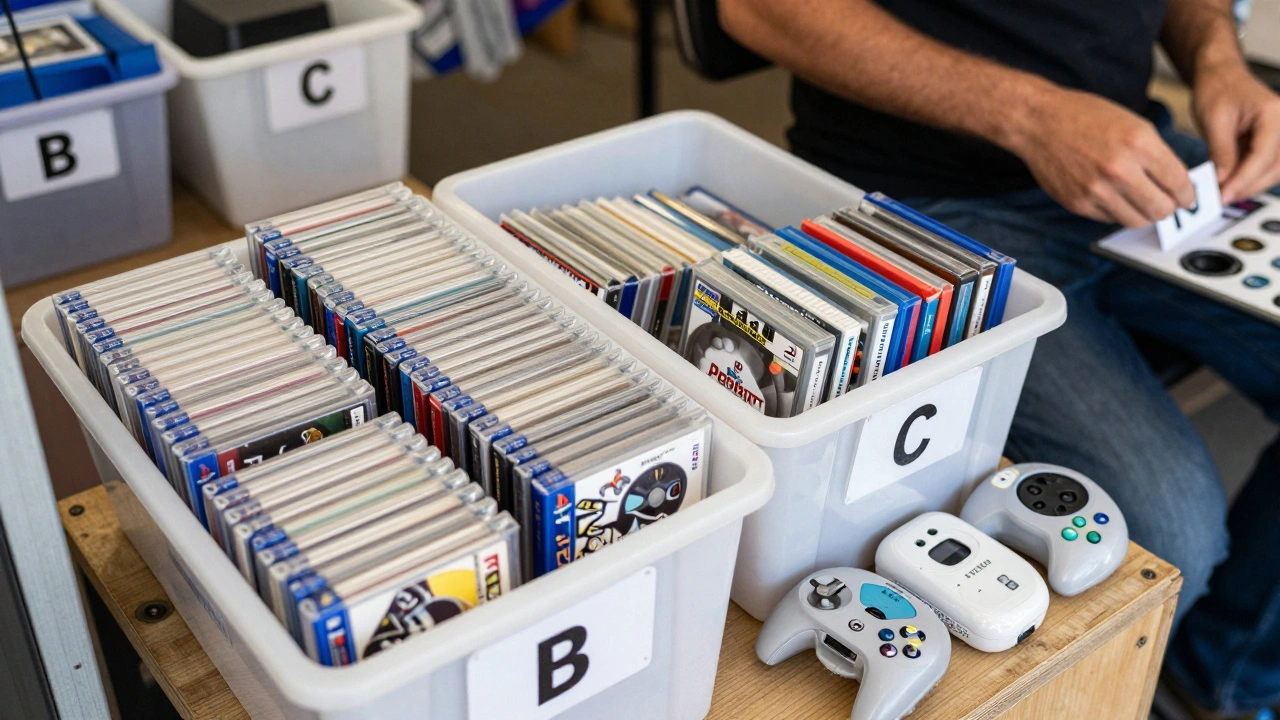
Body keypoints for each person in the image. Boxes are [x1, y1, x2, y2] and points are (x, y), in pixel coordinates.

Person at [717, 0, 1280, 716]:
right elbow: (759, 10)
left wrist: (1218, 59)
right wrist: (1033, 115)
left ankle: (1222, 674)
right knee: (1168, 533)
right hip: (921, 203)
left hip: (1142, 163)